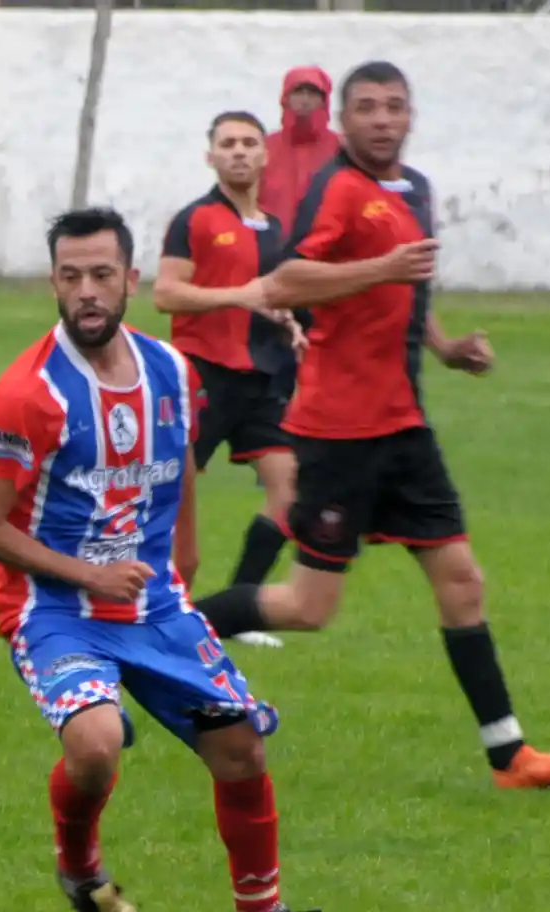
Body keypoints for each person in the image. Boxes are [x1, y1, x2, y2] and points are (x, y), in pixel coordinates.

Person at [194, 61, 550, 790]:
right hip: (338, 431)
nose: (383, 119)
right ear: (343, 122)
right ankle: (166, 631)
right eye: (367, 108)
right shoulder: (337, 190)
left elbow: (406, 287)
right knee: (307, 606)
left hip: (404, 427)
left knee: (461, 578)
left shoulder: (411, 189)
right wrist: (381, 267)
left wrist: (444, 347)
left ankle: (510, 755)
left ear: (410, 115)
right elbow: (285, 282)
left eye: (394, 106)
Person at [0, 206, 319, 912]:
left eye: (102, 274)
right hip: (55, 610)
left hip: (155, 603)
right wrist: (85, 574)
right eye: (71, 277)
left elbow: (180, 467)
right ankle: (81, 867)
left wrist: (181, 562)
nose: (87, 291)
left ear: (130, 278)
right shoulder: (28, 393)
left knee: (239, 743)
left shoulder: (170, 369)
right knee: (96, 743)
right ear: (53, 284)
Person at [154, 110, 306, 649]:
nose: (239, 151)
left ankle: (238, 610)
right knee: (163, 500)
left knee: (289, 491)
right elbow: (166, 293)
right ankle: (148, 607)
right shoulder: (193, 219)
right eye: (228, 143)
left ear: (265, 155)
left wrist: (285, 320)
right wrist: (238, 296)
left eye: (248, 143)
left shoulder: (275, 228)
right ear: (210, 156)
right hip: (201, 379)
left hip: (260, 382)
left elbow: (269, 294)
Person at [258, 66, 342, 234]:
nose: (305, 99)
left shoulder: (343, 148)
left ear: (323, 100)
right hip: (273, 249)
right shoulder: (264, 148)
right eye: (297, 92)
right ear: (285, 98)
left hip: (330, 248)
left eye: (312, 93)